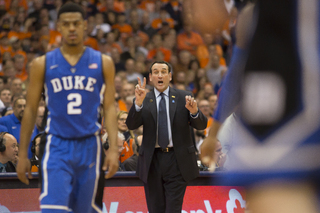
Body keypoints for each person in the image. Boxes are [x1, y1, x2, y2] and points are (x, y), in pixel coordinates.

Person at [200, 1, 320, 213]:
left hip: (291, 42)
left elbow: (233, 75)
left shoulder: (257, 18)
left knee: (275, 192)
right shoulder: (252, 17)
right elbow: (235, 75)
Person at [16, 2, 119, 213]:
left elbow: (109, 108)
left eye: (76, 23)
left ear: (85, 26)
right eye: (66, 24)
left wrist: (115, 149)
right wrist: (24, 154)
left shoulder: (103, 62)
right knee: (54, 209)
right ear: (59, 27)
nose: (72, 28)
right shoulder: (42, 64)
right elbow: (31, 110)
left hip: (90, 145)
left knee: (86, 210)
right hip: (57, 145)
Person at [126, 61, 207, 213]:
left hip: (177, 160)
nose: (160, 75)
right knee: (155, 209)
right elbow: (131, 125)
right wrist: (138, 103)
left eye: (163, 71)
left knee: (173, 209)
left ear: (170, 76)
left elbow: (201, 125)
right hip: (152, 161)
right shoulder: (144, 98)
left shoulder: (184, 97)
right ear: (150, 77)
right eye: (156, 72)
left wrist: (195, 112)